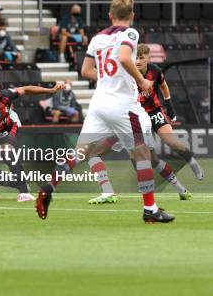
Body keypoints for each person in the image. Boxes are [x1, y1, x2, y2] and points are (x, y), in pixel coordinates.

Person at [36, 0, 175, 223]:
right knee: (142, 153)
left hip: (99, 103)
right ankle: (150, 209)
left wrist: (110, 78)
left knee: (81, 152)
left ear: (110, 16)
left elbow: (85, 71)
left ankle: (49, 186)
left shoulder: (97, 38)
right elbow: (122, 57)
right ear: (131, 15)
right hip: (123, 105)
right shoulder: (130, 33)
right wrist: (141, 81)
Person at [86, 43, 204, 204]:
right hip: (133, 117)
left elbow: (163, 85)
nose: (138, 61)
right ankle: (180, 190)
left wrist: (169, 106)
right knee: (148, 160)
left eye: (141, 57)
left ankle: (191, 162)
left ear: (148, 58)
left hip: (148, 113)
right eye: (135, 57)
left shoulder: (152, 71)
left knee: (169, 142)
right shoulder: (126, 74)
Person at [0, 78, 65, 201]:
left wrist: (50, 90)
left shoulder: (7, 95)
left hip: (7, 129)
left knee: (6, 149)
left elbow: (26, 89)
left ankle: (24, 192)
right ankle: (20, 183)